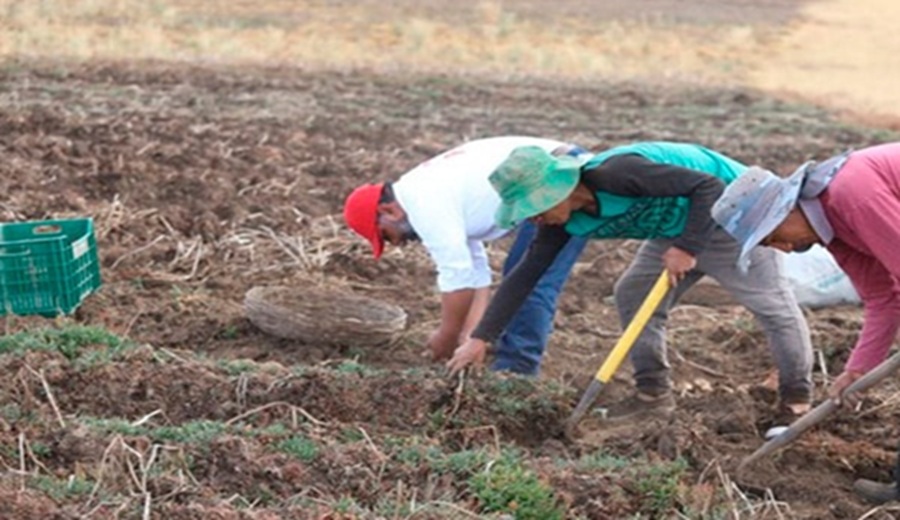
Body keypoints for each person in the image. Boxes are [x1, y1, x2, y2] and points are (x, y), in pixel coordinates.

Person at [446, 141, 814, 425]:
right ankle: (653, 393)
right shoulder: (560, 223)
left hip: (737, 214)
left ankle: (796, 402)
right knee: (634, 293)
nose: (535, 220)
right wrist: (481, 339)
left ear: (557, 191)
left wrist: (688, 247)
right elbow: (524, 276)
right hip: (674, 225)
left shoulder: (616, 173)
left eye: (536, 209)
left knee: (771, 305)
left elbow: (709, 187)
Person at [711, 142, 900, 504]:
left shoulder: (852, 194)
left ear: (784, 212)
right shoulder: (835, 230)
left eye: (771, 238)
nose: (780, 249)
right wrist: (858, 370)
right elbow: (883, 299)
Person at [342, 136, 589, 375]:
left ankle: (517, 373)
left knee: (529, 279)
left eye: (385, 235)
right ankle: (508, 365)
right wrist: (470, 338)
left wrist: (446, 337)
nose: (396, 243)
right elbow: (475, 272)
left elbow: (457, 278)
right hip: (549, 172)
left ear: (389, 211)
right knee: (522, 275)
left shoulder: (423, 204)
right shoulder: (424, 193)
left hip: (556, 176)